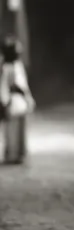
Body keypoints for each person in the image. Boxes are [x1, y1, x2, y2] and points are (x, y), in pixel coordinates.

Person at [0, 35, 35, 164]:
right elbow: (4, 86)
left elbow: (24, 85)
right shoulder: (7, 67)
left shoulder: (17, 65)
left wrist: (28, 98)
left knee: (21, 128)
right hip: (12, 101)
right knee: (11, 129)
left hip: (20, 101)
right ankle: (11, 154)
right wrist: (5, 102)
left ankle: (20, 154)